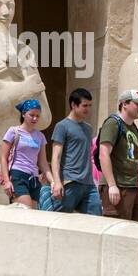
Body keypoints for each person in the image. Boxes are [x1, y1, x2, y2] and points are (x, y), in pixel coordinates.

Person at [49, 88, 101, 216]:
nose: (88, 109)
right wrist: (57, 182)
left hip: (89, 184)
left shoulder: (88, 128)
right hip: (69, 182)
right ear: (73, 105)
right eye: (84, 105)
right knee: (60, 220)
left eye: (90, 105)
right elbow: (56, 156)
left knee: (96, 220)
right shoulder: (62, 126)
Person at [99, 90, 138, 221]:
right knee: (116, 230)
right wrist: (112, 185)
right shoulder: (113, 123)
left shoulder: (133, 128)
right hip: (118, 186)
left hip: (132, 186)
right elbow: (103, 154)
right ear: (124, 104)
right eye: (137, 104)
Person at [0, 98, 53, 208]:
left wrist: (53, 181)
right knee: (25, 209)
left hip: (34, 179)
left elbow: (43, 162)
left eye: (37, 116)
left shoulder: (40, 136)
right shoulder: (13, 131)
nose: (35, 118)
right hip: (18, 175)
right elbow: (3, 158)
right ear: (23, 114)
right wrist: (6, 181)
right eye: (31, 115)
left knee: (31, 216)